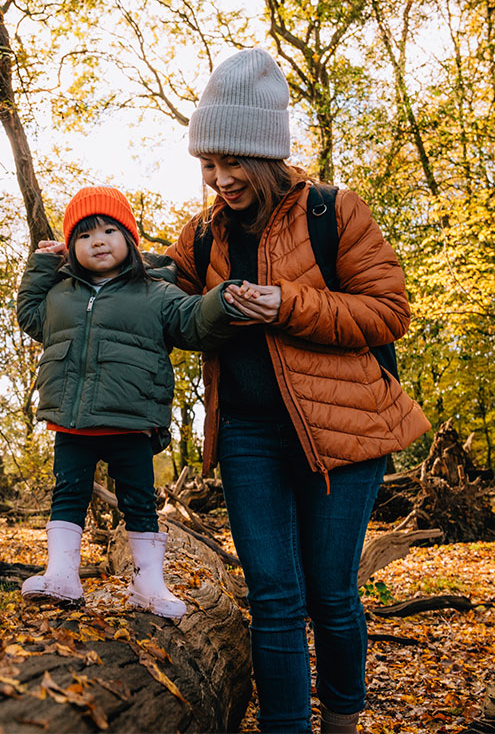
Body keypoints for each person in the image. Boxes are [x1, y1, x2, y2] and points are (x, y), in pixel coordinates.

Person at [166, 48, 431, 733]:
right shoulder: (200, 237)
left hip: (343, 434)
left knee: (332, 593)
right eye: (209, 165)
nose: (220, 179)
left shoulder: (332, 211)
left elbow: (388, 312)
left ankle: (342, 722)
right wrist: (81, 254)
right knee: (275, 596)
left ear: (263, 153)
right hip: (250, 438)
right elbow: (160, 302)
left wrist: (289, 304)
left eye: (232, 162)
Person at [17, 185, 247, 618]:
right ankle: (62, 574)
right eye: (84, 236)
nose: (97, 241)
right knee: (67, 494)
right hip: (73, 420)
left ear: (130, 238)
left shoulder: (156, 292)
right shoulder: (61, 294)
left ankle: (149, 585)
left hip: (132, 420)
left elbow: (193, 324)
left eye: (108, 230)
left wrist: (222, 301)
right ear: (70, 248)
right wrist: (43, 266)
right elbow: (30, 315)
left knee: (139, 500)